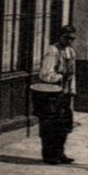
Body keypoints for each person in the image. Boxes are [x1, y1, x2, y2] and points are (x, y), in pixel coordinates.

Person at [31, 24, 78, 165]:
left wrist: (72, 90)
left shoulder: (70, 52)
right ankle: (49, 155)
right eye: (67, 38)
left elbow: (73, 74)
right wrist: (60, 77)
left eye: (72, 39)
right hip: (51, 95)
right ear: (60, 36)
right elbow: (45, 74)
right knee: (49, 126)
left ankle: (60, 153)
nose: (70, 41)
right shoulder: (52, 51)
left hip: (64, 94)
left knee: (64, 125)